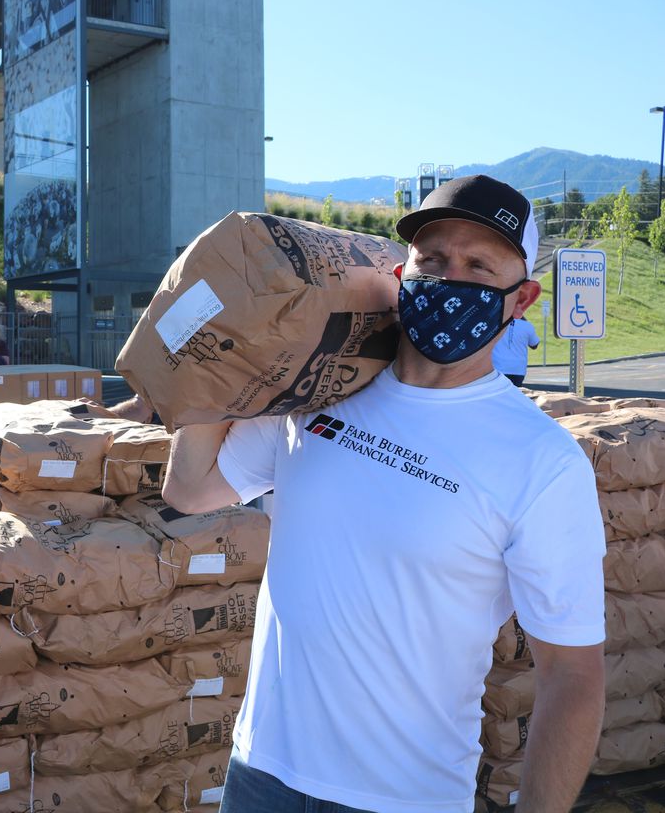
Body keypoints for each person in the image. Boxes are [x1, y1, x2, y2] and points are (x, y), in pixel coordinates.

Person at [162, 175, 606, 813]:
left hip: (405, 797)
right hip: (261, 772)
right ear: (403, 273)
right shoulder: (317, 393)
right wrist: (216, 356)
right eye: (433, 260)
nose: (451, 277)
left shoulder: (542, 461)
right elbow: (191, 489)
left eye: (479, 266)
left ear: (522, 298)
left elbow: (572, 675)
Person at [493, 311, 542, 387]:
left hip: (498, 367)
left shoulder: (494, 324)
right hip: (518, 370)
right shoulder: (527, 325)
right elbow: (534, 345)